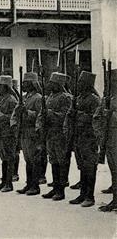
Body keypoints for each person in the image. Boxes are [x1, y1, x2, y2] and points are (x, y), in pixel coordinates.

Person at [65, 71, 100, 207]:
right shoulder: (78, 98)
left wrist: (78, 114)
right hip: (79, 136)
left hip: (89, 137)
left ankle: (90, 197)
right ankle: (83, 193)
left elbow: (95, 118)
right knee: (82, 166)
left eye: (80, 82)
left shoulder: (94, 99)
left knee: (90, 167)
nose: (78, 85)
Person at [36, 72, 72, 201]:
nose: (50, 85)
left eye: (52, 83)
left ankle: (60, 190)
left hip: (60, 133)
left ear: (59, 85)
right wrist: (40, 124)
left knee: (61, 161)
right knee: (53, 161)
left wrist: (51, 114)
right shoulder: (49, 97)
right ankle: (55, 187)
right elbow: (41, 113)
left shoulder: (66, 97)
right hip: (49, 132)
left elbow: (66, 115)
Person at [11, 72, 43, 195]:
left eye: (25, 83)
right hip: (23, 131)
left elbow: (40, 115)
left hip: (32, 131)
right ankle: (29, 183)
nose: (23, 85)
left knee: (34, 159)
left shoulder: (38, 98)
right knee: (28, 159)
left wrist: (27, 112)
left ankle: (35, 185)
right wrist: (14, 124)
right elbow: (15, 113)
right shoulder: (24, 98)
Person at [0, 75, 18, 192]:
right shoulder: (0, 99)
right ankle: (4, 180)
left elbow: (15, 116)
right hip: (0, 132)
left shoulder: (11, 100)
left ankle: (9, 183)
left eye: (0, 86)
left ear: (6, 87)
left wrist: (3, 116)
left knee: (9, 157)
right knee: (3, 158)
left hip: (8, 133)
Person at [94, 68, 117, 212]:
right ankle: (115, 199)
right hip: (109, 139)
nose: (111, 84)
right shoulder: (107, 100)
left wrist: (112, 115)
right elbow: (96, 117)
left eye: (114, 81)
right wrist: (99, 132)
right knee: (114, 170)